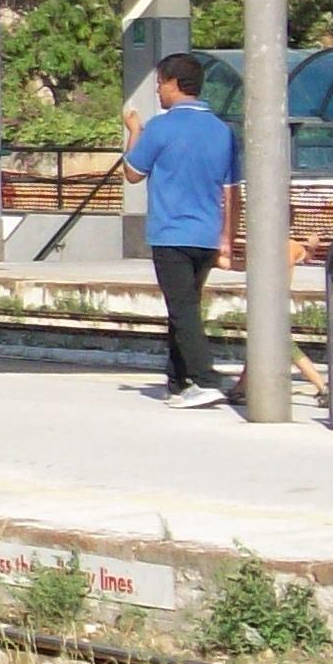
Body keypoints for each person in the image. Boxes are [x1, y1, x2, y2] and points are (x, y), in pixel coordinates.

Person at [122, 50, 243, 409]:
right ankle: (177, 381)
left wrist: (134, 132)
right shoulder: (222, 130)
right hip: (207, 235)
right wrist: (227, 239)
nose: (158, 91)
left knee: (182, 308)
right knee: (185, 306)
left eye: (160, 84)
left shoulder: (160, 127)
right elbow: (232, 190)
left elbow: (132, 172)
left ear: (174, 84)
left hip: (170, 233)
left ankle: (206, 378)